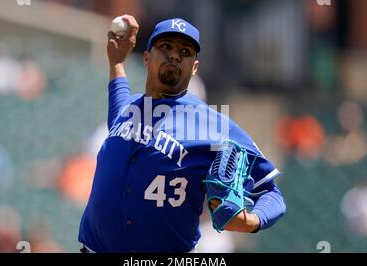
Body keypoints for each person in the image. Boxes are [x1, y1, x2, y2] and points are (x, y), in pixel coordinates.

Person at [78, 15, 286, 253]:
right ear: (146, 58)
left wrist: (252, 221)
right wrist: (116, 62)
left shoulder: (215, 126)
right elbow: (118, 100)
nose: (175, 55)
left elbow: (271, 193)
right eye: (165, 46)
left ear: (194, 67)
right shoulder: (128, 110)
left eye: (185, 51)